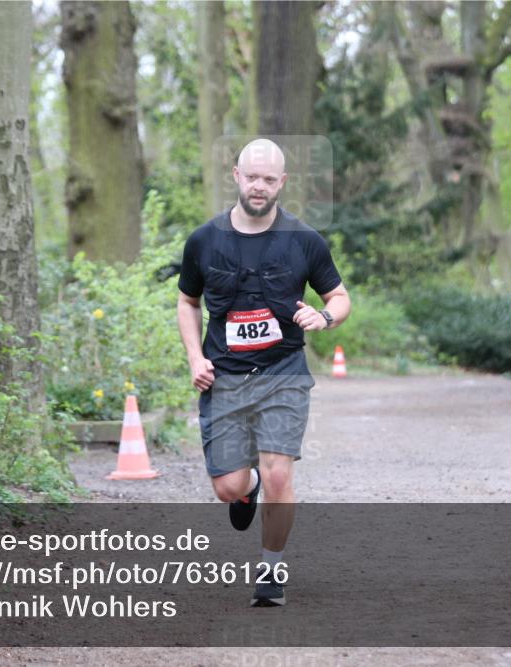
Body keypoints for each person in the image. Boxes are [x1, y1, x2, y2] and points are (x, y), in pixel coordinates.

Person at [176, 138, 351, 607]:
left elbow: (339, 297)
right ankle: (246, 488)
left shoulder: (305, 241)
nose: (259, 186)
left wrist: (326, 317)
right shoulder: (205, 240)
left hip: (283, 373)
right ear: (236, 175)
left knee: (279, 475)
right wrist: (195, 357)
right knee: (228, 487)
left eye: (269, 179)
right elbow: (187, 301)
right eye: (251, 176)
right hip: (225, 378)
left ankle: (271, 571)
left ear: (282, 183)